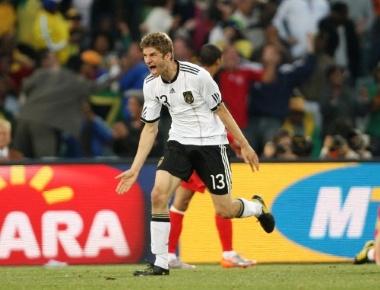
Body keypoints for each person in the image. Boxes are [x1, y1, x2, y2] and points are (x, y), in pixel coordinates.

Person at [115, 32, 275, 276]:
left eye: (153, 55)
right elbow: (150, 127)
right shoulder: (150, 84)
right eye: (145, 55)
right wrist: (135, 168)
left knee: (225, 210)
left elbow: (222, 111)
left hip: (212, 145)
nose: (148, 61)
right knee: (158, 194)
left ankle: (257, 207)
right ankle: (161, 261)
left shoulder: (198, 76)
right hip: (179, 143)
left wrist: (244, 144)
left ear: (168, 55)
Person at [168, 44, 255, 269]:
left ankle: (168, 255)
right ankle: (228, 253)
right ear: (219, 61)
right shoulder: (207, 80)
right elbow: (217, 115)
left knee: (180, 202)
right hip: (207, 149)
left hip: (186, 147)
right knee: (223, 202)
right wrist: (239, 143)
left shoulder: (186, 77)